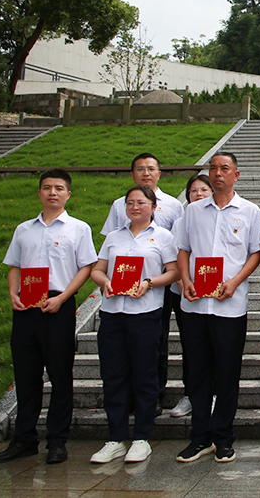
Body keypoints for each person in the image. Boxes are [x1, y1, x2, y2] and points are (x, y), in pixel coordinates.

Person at [0, 169, 97, 465]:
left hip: (58, 306)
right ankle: (24, 438)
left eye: (59, 188)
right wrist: (13, 294)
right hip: (25, 308)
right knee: (26, 375)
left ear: (68, 194)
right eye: (47, 187)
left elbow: (86, 268)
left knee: (61, 375)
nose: (53, 192)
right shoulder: (24, 229)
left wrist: (63, 299)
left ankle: (57, 440)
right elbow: (14, 265)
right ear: (39, 193)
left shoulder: (79, 228)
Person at [175, 152, 260, 464]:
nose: (217, 173)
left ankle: (223, 437)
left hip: (229, 307)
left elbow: (255, 254)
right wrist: (185, 280)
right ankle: (199, 437)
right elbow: (183, 249)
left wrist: (236, 281)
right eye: (212, 168)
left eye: (224, 168)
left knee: (227, 373)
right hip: (195, 305)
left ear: (236, 175)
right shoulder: (193, 210)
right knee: (197, 373)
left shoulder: (250, 211)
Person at [89, 186, 179, 464]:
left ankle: (141, 437)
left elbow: (174, 271)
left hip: (146, 313)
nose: (135, 207)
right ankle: (115, 438)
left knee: (144, 375)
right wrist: (104, 282)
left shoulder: (163, 237)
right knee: (113, 375)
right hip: (113, 313)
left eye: (141, 202)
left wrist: (149, 283)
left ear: (153, 207)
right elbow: (97, 269)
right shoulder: (114, 237)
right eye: (130, 203)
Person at [100, 152, 184, 416]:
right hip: (122, 289)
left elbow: (178, 244)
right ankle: (127, 399)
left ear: (160, 173)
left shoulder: (173, 204)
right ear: (132, 174)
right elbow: (110, 242)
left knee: (156, 341)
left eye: (151, 169)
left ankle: (154, 395)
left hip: (160, 284)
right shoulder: (118, 206)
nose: (146, 173)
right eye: (140, 169)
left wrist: (153, 281)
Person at [166, 174, 212, 419]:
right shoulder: (181, 222)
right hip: (186, 293)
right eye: (193, 191)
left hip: (218, 295)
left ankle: (212, 394)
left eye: (203, 189)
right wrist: (185, 283)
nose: (198, 194)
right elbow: (175, 256)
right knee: (191, 347)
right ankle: (191, 394)